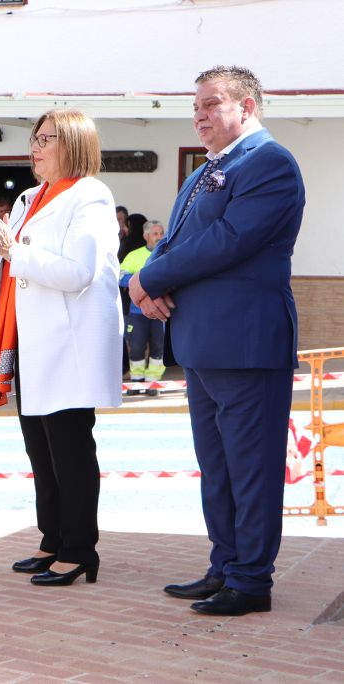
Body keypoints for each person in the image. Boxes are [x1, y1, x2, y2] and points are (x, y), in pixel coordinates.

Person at [129, 66, 305, 616]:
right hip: (203, 344)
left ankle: (252, 580)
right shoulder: (208, 169)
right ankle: (225, 565)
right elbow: (174, 241)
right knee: (219, 466)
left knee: (251, 467)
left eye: (210, 105)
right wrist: (138, 282)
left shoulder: (269, 164)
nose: (199, 116)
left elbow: (227, 241)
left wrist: (148, 281)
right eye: (195, 107)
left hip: (247, 343)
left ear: (247, 107)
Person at [0, 108, 122, 586]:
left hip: (69, 344)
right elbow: (7, 273)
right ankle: (53, 537)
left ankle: (81, 548)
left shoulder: (90, 197)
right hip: (29, 342)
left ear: (75, 144)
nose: (34, 148)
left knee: (69, 449)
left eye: (46, 139)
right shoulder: (28, 199)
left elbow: (79, 272)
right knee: (39, 449)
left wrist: (8, 251)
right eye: (34, 139)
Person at [120, 221, 165, 396]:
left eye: (161, 233)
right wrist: (142, 282)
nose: (160, 237)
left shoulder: (168, 253)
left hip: (161, 311)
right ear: (146, 236)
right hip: (137, 312)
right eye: (155, 234)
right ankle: (137, 382)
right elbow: (120, 276)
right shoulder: (134, 255)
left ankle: (153, 383)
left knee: (158, 347)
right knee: (136, 346)